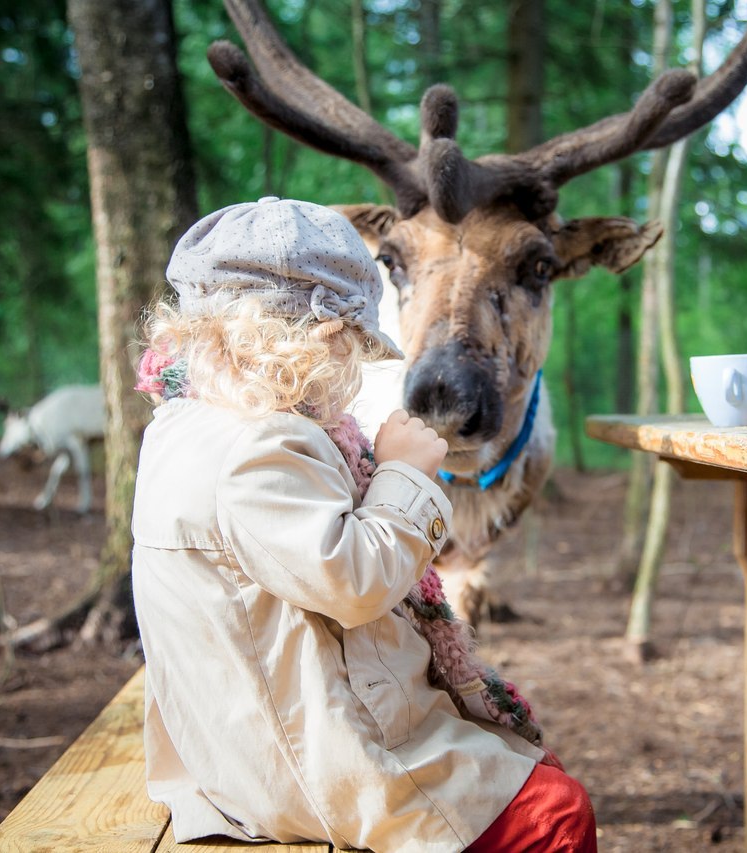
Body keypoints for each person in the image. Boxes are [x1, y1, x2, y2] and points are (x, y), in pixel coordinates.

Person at [130, 197, 596, 852]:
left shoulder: (180, 427)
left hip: (248, 726)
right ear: (316, 340)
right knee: (556, 812)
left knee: (522, 770)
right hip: (297, 761)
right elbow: (355, 583)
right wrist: (404, 473)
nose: (352, 381)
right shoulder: (258, 447)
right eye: (352, 351)